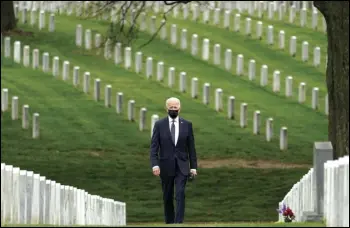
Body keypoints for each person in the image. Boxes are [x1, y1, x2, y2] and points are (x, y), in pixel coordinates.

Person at [150, 97, 198, 224]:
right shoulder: (159, 125)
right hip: (165, 165)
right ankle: (170, 222)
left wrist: (193, 167)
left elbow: (191, 148)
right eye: (171, 107)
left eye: (175, 107)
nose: (173, 109)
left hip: (182, 165)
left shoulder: (187, 125)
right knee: (167, 196)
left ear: (179, 108)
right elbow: (154, 147)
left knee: (180, 193)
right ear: (166, 108)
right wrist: (155, 165)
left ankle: (179, 222)